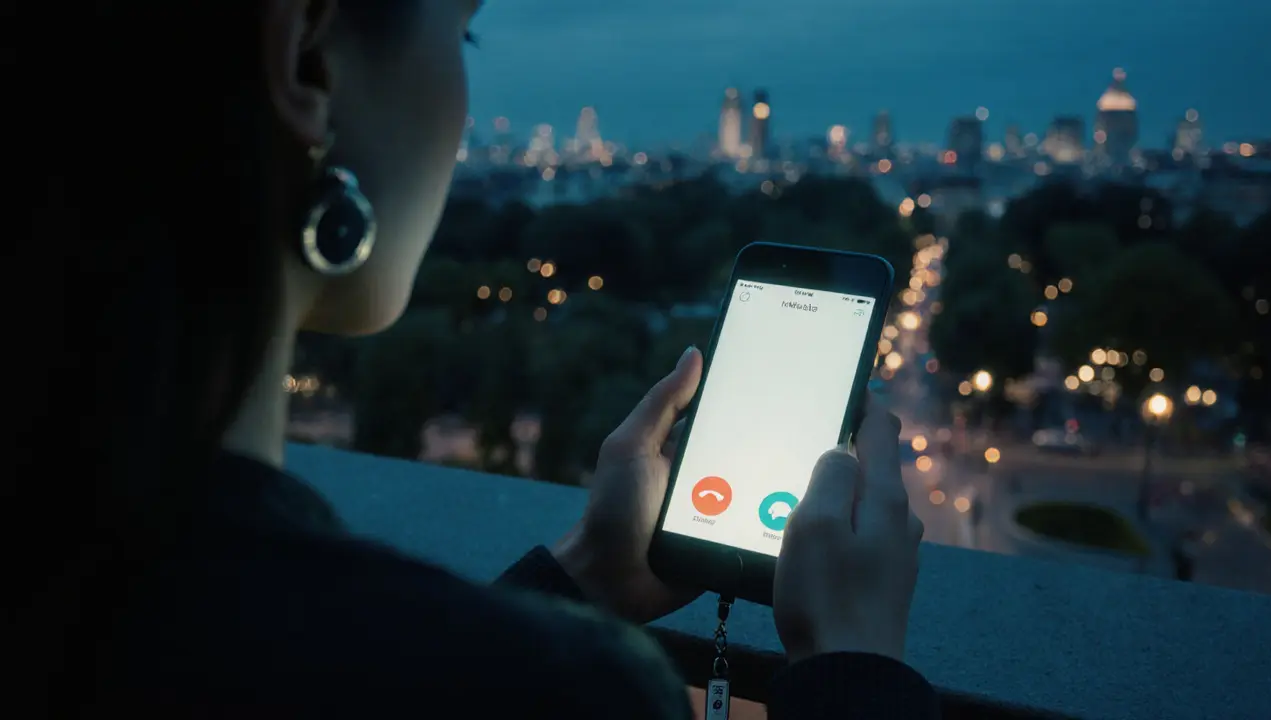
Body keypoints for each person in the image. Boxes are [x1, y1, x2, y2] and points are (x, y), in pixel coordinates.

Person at [10, 1, 938, 717]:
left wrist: (584, 574)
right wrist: (853, 671)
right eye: (467, 36)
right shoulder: (554, 693)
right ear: (306, 58)